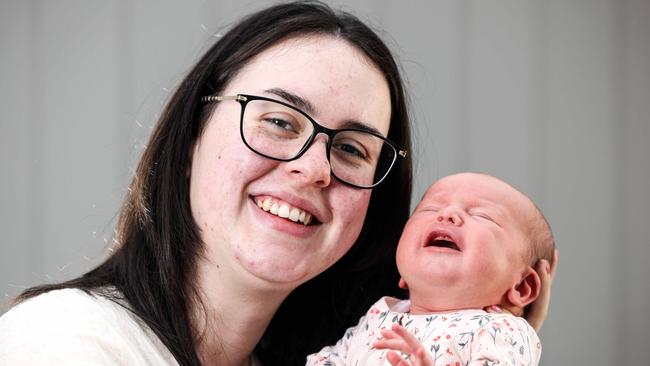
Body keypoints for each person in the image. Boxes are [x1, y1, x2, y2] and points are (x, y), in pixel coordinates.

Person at [0, 2, 556, 366]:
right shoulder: (64, 344)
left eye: (350, 149)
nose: (314, 168)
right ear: (193, 135)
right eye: (279, 121)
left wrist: (480, 333)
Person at [307, 172, 556, 366]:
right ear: (403, 275)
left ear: (523, 286)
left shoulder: (500, 331)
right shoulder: (380, 315)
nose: (447, 214)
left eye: (483, 215)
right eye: (430, 208)